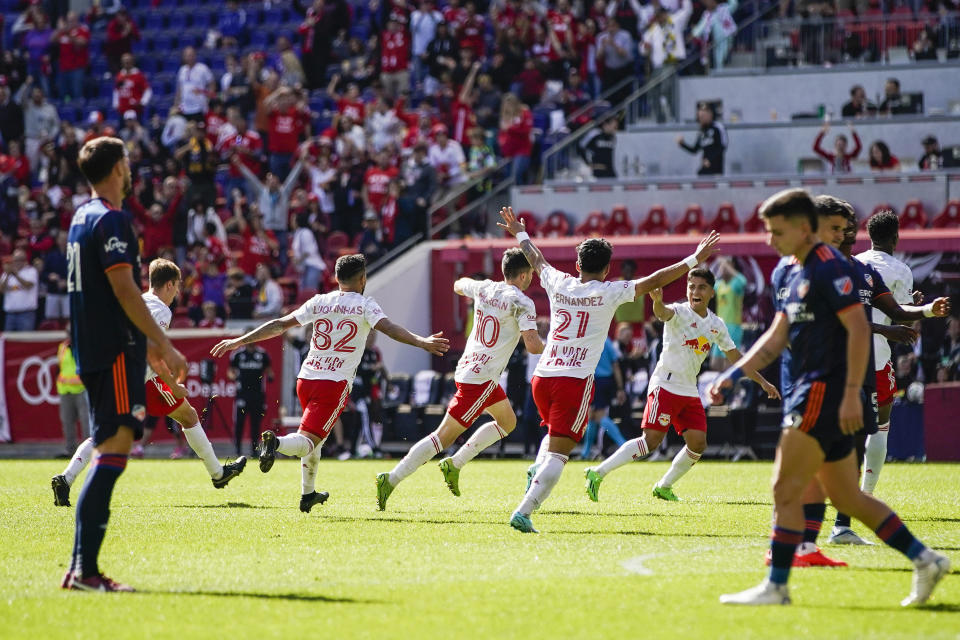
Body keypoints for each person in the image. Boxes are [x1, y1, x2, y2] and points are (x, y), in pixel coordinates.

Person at [711, 188, 949, 606]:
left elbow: (859, 329)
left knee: (786, 486)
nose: (769, 239)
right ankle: (925, 559)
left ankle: (777, 586)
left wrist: (852, 394)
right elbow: (778, 333)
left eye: (776, 231)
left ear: (804, 228)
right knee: (847, 497)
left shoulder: (831, 268)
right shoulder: (786, 270)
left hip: (822, 390)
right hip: (814, 389)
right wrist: (735, 371)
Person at [499, 205, 721, 533]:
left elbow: (535, 258)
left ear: (577, 266)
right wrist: (693, 260)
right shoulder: (611, 292)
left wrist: (519, 231)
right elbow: (655, 280)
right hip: (572, 380)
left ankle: (537, 466)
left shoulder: (559, 281)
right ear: (606, 270)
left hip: (542, 377)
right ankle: (525, 510)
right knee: (561, 454)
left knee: (551, 436)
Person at [210, 254, 449, 512]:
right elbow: (389, 328)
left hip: (307, 379)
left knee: (317, 439)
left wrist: (239, 341)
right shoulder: (366, 304)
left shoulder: (320, 301)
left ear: (336, 278)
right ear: (363, 279)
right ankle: (275, 443)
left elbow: (279, 325)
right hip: (333, 384)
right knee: (309, 441)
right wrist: (421, 341)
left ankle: (307, 494)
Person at [59, 137, 188, 592]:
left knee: (109, 448)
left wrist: (150, 351)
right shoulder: (111, 219)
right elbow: (125, 290)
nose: (131, 169)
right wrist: (162, 344)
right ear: (116, 168)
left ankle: (80, 568)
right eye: (128, 162)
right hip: (113, 351)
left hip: (98, 347)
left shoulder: (79, 217)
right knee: (113, 450)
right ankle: (86, 571)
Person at [53, 259, 245, 506]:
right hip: (140, 377)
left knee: (107, 432)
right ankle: (218, 475)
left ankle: (65, 478)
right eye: (177, 287)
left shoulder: (135, 301)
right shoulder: (160, 310)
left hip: (112, 373)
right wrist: (174, 385)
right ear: (169, 284)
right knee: (188, 416)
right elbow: (152, 354)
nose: (177, 293)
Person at [584, 268, 779, 502]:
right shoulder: (678, 311)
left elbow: (737, 358)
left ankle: (664, 486)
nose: (694, 291)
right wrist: (657, 301)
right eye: (691, 286)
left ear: (711, 292)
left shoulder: (716, 324)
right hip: (665, 385)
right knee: (651, 441)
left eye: (701, 287)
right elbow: (662, 313)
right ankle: (598, 472)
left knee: (698, 444)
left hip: (688, 390)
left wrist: (763, 382)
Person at [376, 250, 544, 509]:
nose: (532, 277)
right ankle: (392, 478)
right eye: (531, 274)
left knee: (507, 421)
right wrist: (555, 346)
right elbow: (532, 346)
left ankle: (455, 464)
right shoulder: (522, 302)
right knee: (442, 437)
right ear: (523, 275)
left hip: (473, 372)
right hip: (480, 378)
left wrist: (472, 289)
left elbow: (458, 285)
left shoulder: (485, 287)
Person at [855, 210, 951, 497]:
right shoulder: (900, 270)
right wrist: (916, 306)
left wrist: (909, 303)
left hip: (845, 354)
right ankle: (866, 494)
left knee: (840, 427)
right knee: (880, 426)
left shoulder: (854, 263)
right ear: (895, 238)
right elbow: (904, 320)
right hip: (877, 358)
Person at [579, 337, 629, 459]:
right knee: (592, 417)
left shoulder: (588, 340)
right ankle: (585, 453)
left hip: (595, 381)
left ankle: (625, 446)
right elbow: (615, 364)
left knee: (599, 416)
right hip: (606, 381)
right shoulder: (607, 341)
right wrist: (620, 387)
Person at [229, 333, 274, 458]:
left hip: (258, 395)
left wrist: (270, 376)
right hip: (242, 395)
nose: (250, 341)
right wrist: (235, 376)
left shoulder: (262, 354)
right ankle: (237, 450)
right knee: (239, 423)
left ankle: (254, 451)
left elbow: (270, 371)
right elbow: (230, 372)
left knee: (256, 424)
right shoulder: (238, 355)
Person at [56, 333, 90, 458]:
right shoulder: (63, 346)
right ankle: (70, 450)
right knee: (67, 421)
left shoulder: (85, 346)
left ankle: (88, 450)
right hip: (65, 390)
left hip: (81, 389)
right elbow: (60, 366)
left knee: (86, 421)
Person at [677, 102, 726, 176]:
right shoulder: (702, 131)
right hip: (705, 168)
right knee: (700, 175)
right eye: (700, 117)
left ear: (710, 114)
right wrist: (682, 144)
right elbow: (695, 150)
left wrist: (710, 159)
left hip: (716, 169)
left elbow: (722, 146)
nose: (701, 119)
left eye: (703, 116)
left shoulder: (718, 128)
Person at [713, 256, 747, 349]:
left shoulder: (736, 283)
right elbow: (708, 284)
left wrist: (728, 267)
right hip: (719, 327)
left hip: (733, 326)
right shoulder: (719, 284)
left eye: (726, 266)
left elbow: (743, 281)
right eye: (721, 266)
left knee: (729, 362)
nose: (723, 268)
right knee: (715, 362)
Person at [1, 249, 39, 331]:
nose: (18, 262)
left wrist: (15, 275)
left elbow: (28, 285)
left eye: (20, 260)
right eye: (15, 260)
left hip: (26, 314)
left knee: (25, 340)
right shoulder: (6, 274)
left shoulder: (31, 271)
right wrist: (8, 275)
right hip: (10, 314)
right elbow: (1, 290)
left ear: (25, 260)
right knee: (10, 341)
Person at [175, 47, 215, 121]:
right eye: (187, 55)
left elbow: (212, 83)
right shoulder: (182, 70)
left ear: (195, 56)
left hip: (199, 107)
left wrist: (208, 99)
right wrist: (176, 104)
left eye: (191, 55)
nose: (189, 57)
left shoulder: (202, 68)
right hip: (185, 108)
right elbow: (180, 88)